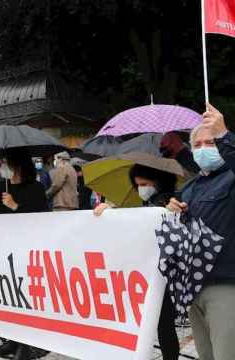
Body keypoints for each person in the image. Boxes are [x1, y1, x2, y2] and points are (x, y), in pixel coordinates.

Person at [166, 103, 235, 360]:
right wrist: (173, 209)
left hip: (226, 286)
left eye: (211, 142)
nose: (204, 149)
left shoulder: (231, 176)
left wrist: (224, 135)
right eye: (198, 145)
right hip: (193, 288)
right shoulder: (191, 186)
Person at [93, 164, 179, 360]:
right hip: (149, 272)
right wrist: (110, 210)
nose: (141, 188)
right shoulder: (149, 202)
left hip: (165, 275)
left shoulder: (170, 201)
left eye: (145, 184)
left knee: (164, 325)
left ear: (158, 181)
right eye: (137, 184)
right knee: (160, 325)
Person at [0, 149, 50, 359]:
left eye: (6, 163)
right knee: (9, 297)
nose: (3, 167)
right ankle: (11, 341)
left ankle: (28, 345)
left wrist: (16, 206)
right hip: (5, 248)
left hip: (27, 250)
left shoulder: (35, 187)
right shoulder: (2, 186)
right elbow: (0, 219)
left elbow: (41, 219)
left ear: (18, 165)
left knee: (25, 297)